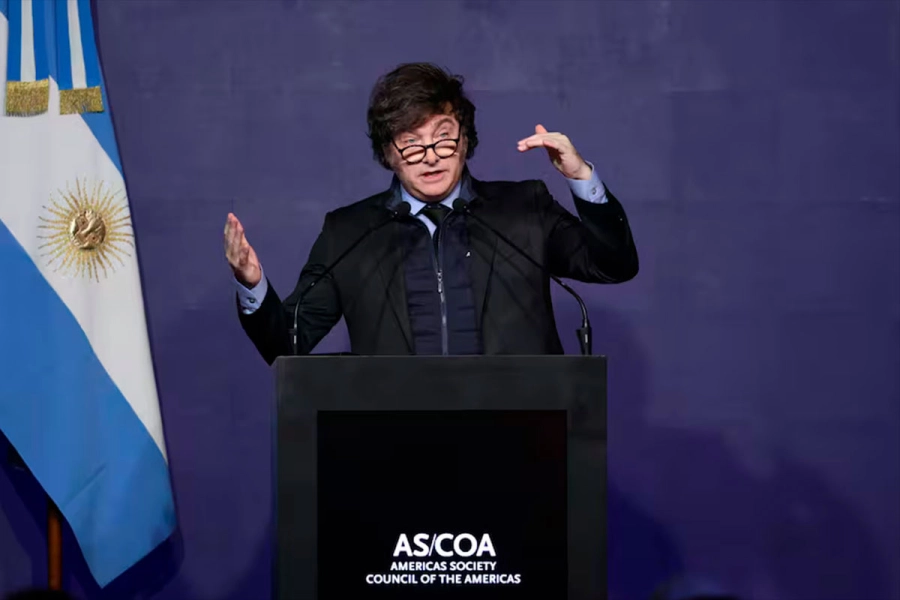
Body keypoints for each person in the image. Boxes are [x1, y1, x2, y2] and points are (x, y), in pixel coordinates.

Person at [224, 62, 638, 362]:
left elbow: (613, 265)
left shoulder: (524, 208)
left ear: (465, 140)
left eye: (443, 137)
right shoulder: (349, 232)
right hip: (400, 443)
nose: (430, 156)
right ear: (388, 153)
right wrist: (252, 284)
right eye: (411, 142)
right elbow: (287, 345)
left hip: (519, 435)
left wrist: (580, 177)